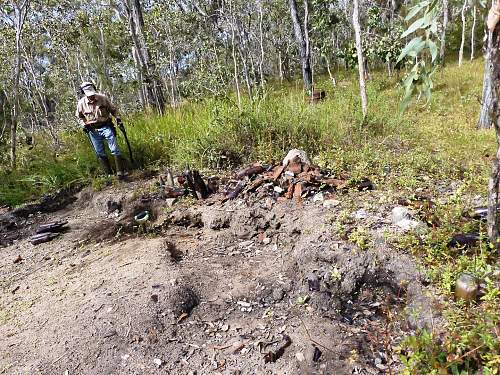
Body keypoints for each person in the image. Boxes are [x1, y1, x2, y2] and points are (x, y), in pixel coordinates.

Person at [76, 82, 127, 179]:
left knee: (114, 148)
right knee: (99, 152)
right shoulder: (81, 104)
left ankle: (120, 172)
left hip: (106, 126)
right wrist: (83, 125)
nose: (91, 96)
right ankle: (108, 174)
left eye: (92, 94)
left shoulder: (103, 98)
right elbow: (79, 117)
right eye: (88, 95)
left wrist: (118, 119)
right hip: (93, 130)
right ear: (83, 93)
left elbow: (114, 110)